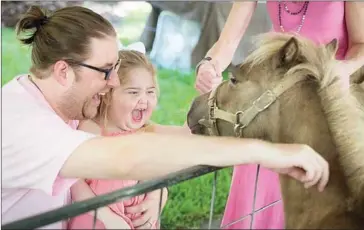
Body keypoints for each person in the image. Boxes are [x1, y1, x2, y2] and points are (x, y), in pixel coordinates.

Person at [2, 5, 330, 230]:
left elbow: (149, 142)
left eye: (116, 69)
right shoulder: (22, 125)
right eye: (105, 71)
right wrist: (265, 152)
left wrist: (160, 191)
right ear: (62, 72)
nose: (115, 83)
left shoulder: (60, 107)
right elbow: (126, 157)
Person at [194, 2, 364, 229]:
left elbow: (361, 43)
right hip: (273, 105)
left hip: (326, 106)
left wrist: (342, 69)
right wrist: (209, 65)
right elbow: (228, 41)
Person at [69, 44, 173, 230]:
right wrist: (108, 218)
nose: (144, 100)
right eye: (133, 92)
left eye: (150, 92)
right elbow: (74, 183)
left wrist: (159, 195)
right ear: (108, 95)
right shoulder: (92, 132)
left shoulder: (144, 133)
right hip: (99, 223)